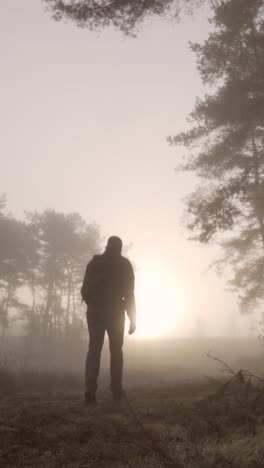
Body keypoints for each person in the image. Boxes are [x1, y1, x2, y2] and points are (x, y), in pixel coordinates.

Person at [81, 236, 136, 404]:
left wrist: (94, 306)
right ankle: (116, 391)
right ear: (119, 248)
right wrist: (132, 318)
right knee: (116, 351)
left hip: (95, 312)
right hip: (115, 313)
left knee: (94, 349)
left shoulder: (95, 263)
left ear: (107, 246)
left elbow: (84, 291)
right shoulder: (124, 265)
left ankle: (90, 391)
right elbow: (129, 294)